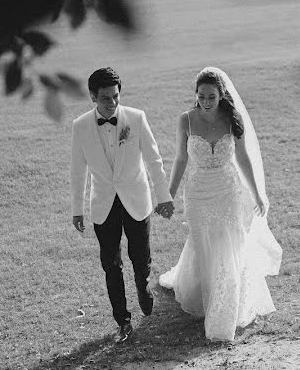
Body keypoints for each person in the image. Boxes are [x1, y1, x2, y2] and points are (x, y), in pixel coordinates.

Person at [158, 67, 282, 341]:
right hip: (198, 192)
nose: (205, 100)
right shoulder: (186, 120)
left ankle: (227, 305)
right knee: (203, 243)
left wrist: (258, 194)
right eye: (201, 95)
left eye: (211, 96)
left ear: (221, 95)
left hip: (227, 191)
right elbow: (180, 159)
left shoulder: (231, 119)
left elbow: (243, 159)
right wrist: (169, 194)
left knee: (229, 243)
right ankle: (204, 293)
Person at [70, 67, 175, 344]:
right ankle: (123, 320)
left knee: (140, 258)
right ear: (93, 96)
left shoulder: (136, 118)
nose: (112, 102)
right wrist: (76, 209)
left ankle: (143, 287)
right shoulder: (80, 126)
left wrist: (163, 195)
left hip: (136, 199)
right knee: (110, 264)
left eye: (115, 96)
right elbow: (77, 171)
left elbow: (154, 159)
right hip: (103, 204)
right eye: (105, 98)